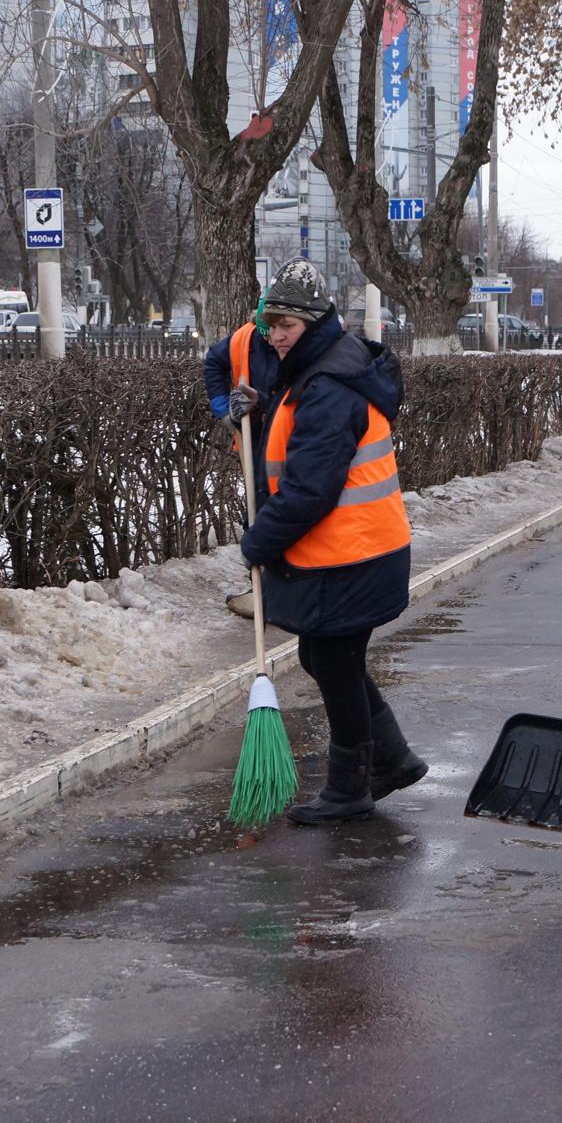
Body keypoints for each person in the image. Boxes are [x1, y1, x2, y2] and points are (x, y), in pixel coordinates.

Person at [233, 258, 425, 826]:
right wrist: (261, 410)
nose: (275, 337)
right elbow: (301, 441)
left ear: (314, 323)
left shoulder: (330, 384)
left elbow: (311, 486)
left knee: (335, 661)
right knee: (325, 655)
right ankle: (391, 758)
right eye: (270, 327)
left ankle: (350, 788)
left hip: (355, 554)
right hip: (354, 550)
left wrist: (257, 544)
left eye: (285, 326)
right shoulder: (320, 371)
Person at [204, 308, 283, 619]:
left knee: (290, 509)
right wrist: (226, 410)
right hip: (258, 440)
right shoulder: (243, 339)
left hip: (295, 439)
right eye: (265, 332)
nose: (272, 339)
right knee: (259, 508)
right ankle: (262, 590)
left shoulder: (301, 341)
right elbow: (213, 362)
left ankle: (291, 588)